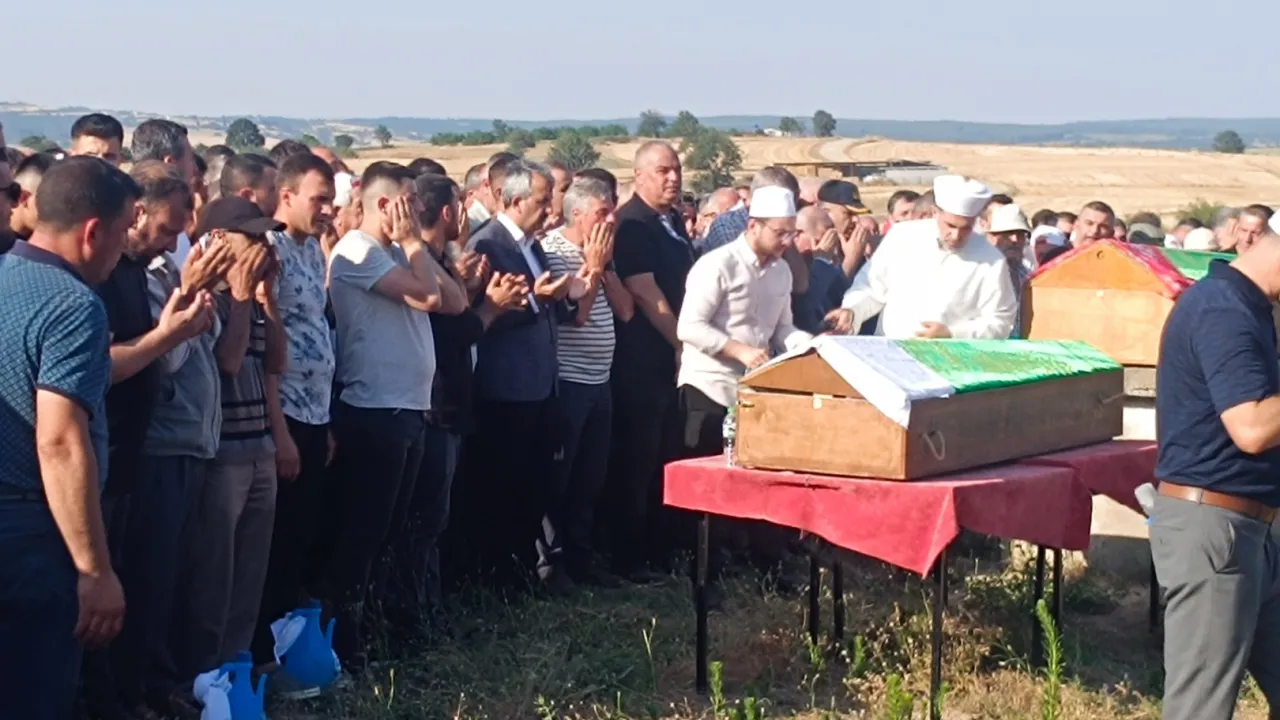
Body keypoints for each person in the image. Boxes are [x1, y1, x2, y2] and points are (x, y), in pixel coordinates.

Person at [0, 156, 139, 720]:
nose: (125, 247)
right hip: (32, 535)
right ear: (92, 231)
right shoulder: (72, 305)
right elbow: (59, 441)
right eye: (125, 230)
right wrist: (94, 570)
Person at [323, 162, 450, 670]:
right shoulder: (357, 252)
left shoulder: (398, 252)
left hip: (407, 407)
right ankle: (345, 641)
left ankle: (375, 628)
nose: (418, 209)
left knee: (393, 528)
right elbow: (430, 297)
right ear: (384, 204)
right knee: (365, 531)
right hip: (375, 409)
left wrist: (416, 247)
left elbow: (456, 301)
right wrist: (416, 244)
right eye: (410, 200)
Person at [1152, 228, 1280, 720]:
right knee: (1200, 710)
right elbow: (1251, 427)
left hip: (1253, 531)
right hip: (1217, 531)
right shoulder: (1223, 310)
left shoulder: (1250, 308)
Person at [463, 159, 571, 590]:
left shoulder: (531, 245)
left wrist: (555, 298)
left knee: (534, 484)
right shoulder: (487, 245)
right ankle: (500, 577)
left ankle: (526, 570)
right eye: (542, 201)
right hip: (506, 387)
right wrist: (537, 301)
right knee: (504, 486)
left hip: (539, 384)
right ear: (514, 200)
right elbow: (484, 316)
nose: (549, 210)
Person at [606, 141, 694, 582]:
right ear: (639, 176)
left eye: (676, 169)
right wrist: (681, 342)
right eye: (663, 170)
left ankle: (662, 547)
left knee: (665, 454)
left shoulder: (671, 220)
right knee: (637, 459)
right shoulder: (633, 224)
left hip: (667, 360)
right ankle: (628, 554)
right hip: (641, 358)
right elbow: (643, 291)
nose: (673, 178)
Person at [540, 177, 624, 587]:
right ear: (576, 213)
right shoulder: (554, 252)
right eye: (601, 213)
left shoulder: (603, 255)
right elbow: (578, 316)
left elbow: (625, 310)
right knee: (561, 476)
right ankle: (552, 564)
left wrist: (604, 267)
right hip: (570, 379)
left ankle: (582, 556)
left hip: (600, 380)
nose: (610, 221)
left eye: (612, 213)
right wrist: (591, 268)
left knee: (591, 476)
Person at [826, 175, 1016, 339]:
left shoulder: (991, 260)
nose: (956, 235)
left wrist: (953, 333)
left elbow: (1001, 320)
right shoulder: (902, 237)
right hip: (890, 349)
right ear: (935, 213)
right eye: (950, 225)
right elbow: (872, 288)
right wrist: (852, 311)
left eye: (965, 228)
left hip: (953, 359)